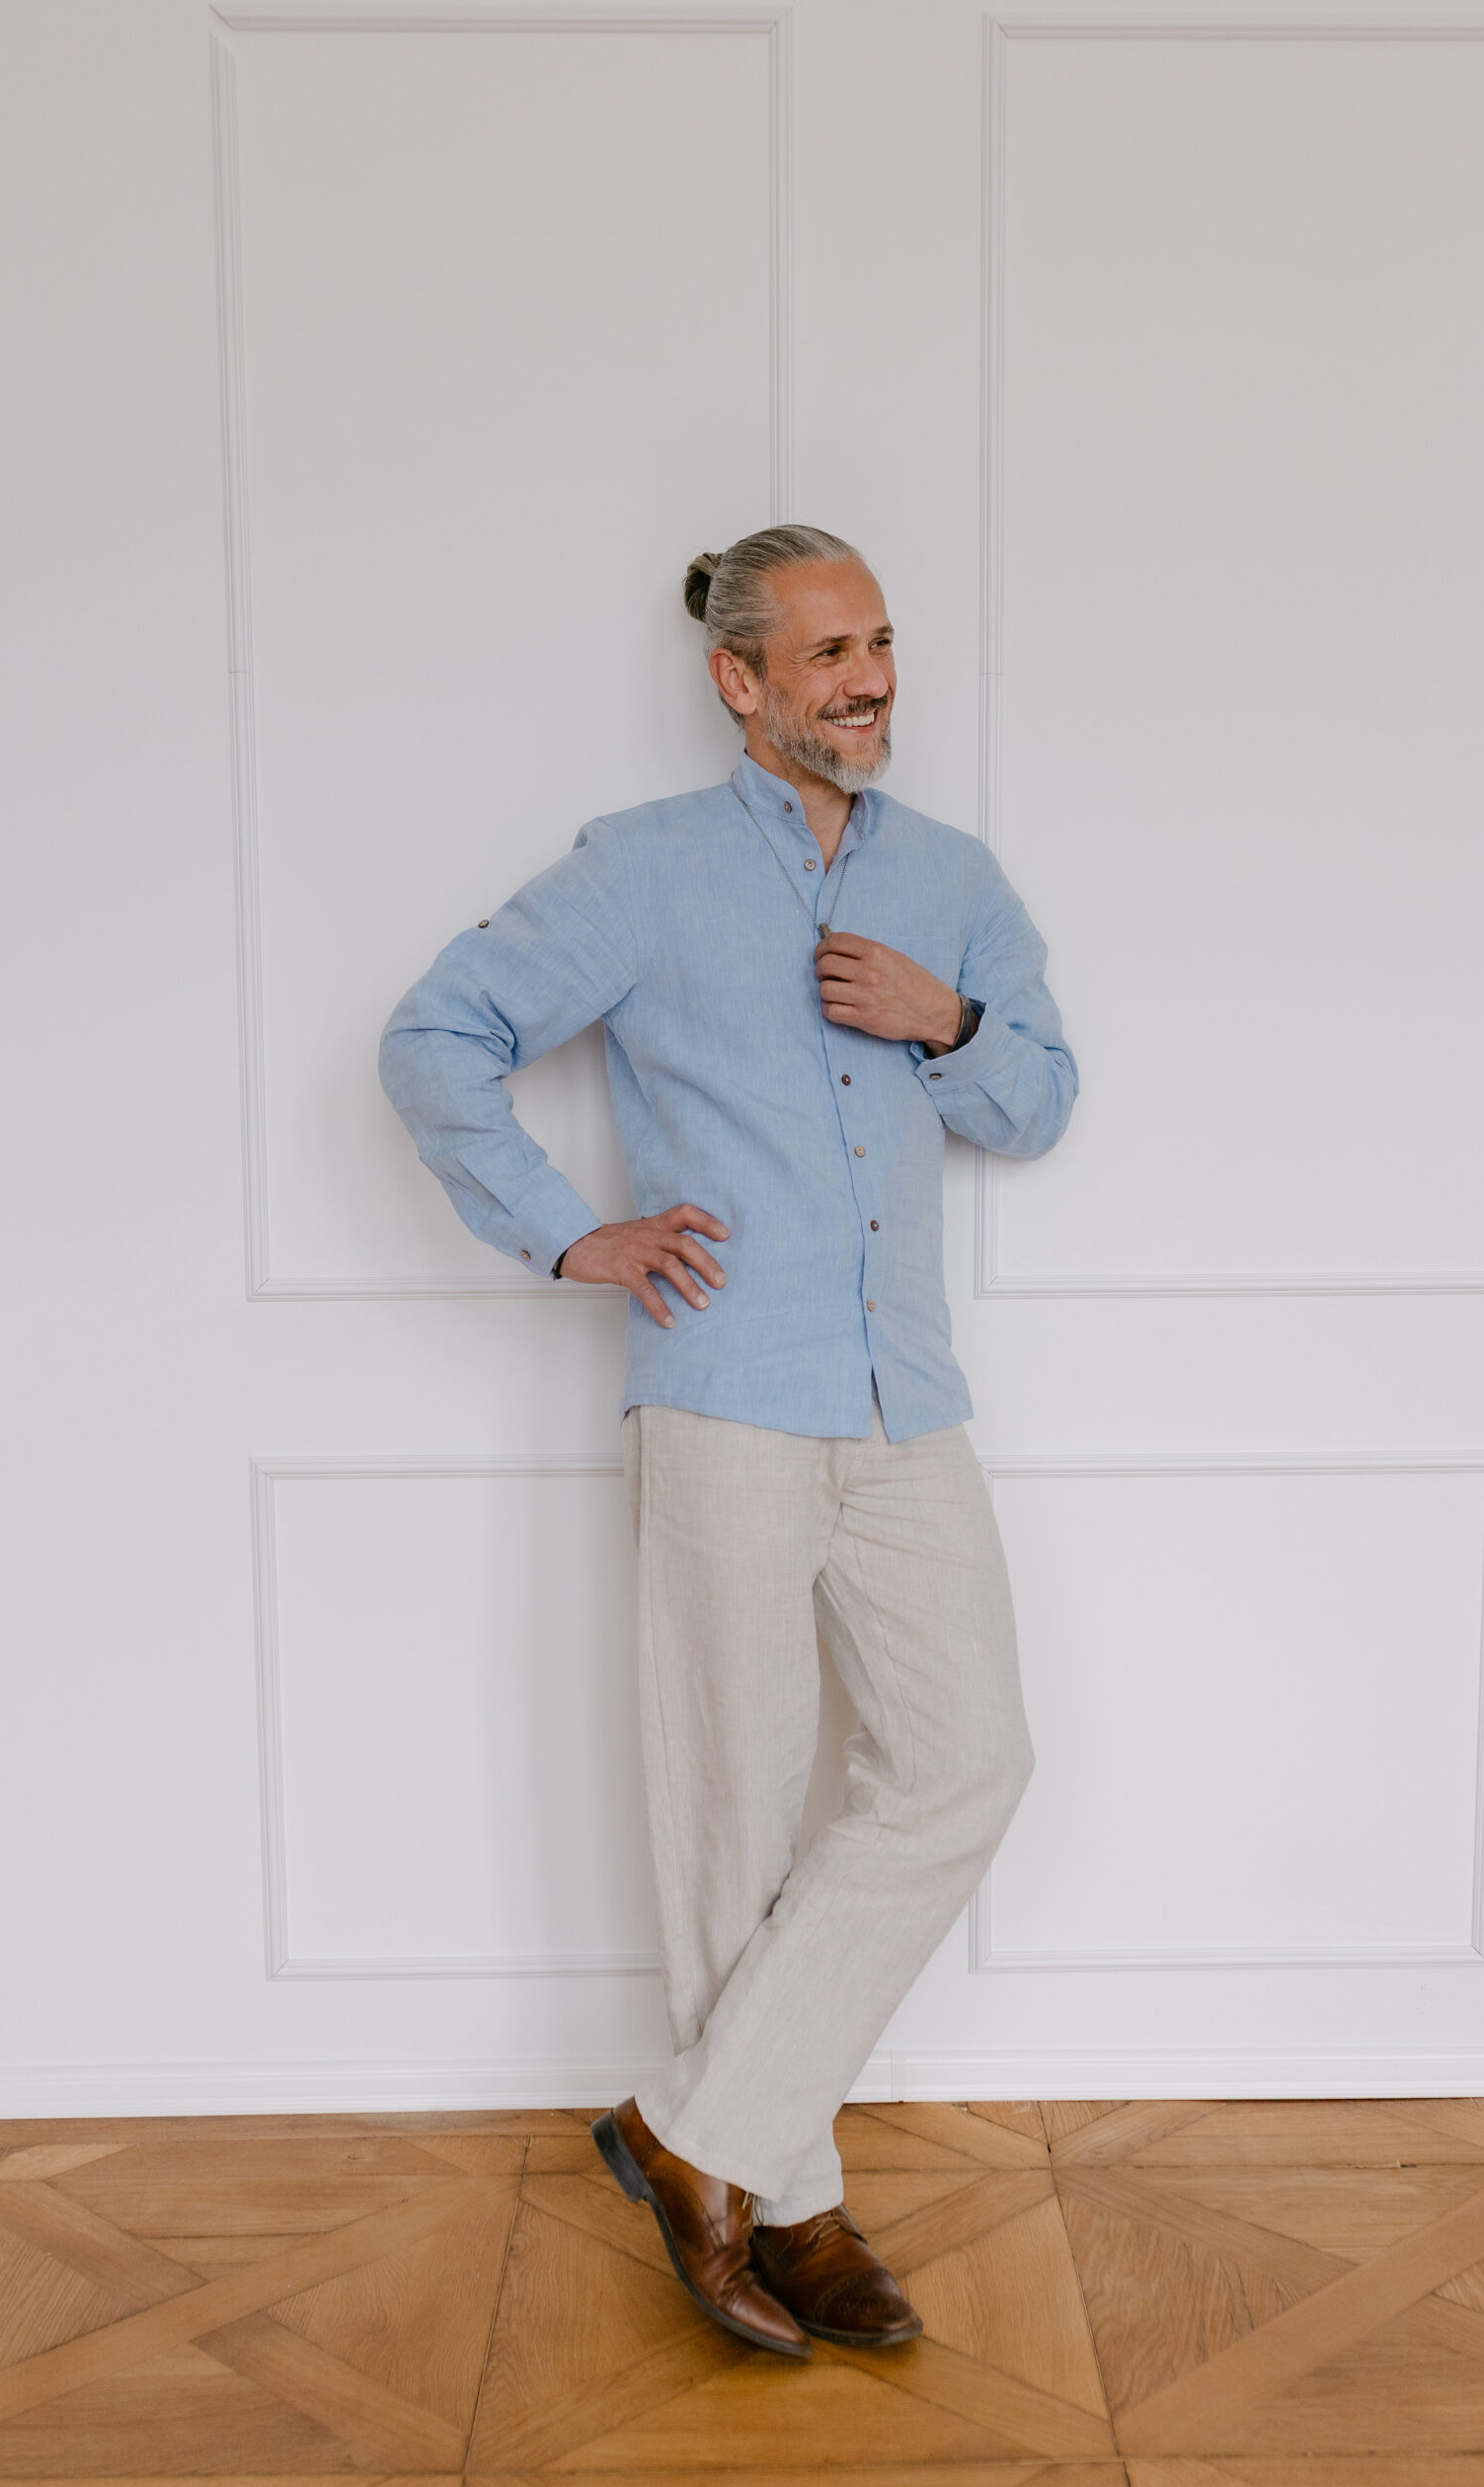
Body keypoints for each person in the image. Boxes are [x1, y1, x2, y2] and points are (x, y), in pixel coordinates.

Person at [380, 525, 1077, 2359]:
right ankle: (792, 2208)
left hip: (904, 1399)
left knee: (970, 1761)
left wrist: (948, 1019)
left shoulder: (954, 880)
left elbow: (1040, 1101)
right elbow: (438, 1036)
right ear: (740, 681)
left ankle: (694, 2135)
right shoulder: (642, 869)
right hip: (723, 1392)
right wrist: (568, 1232)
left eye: (880, 643)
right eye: (828, 652)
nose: (869, 679)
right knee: (735, 1817)